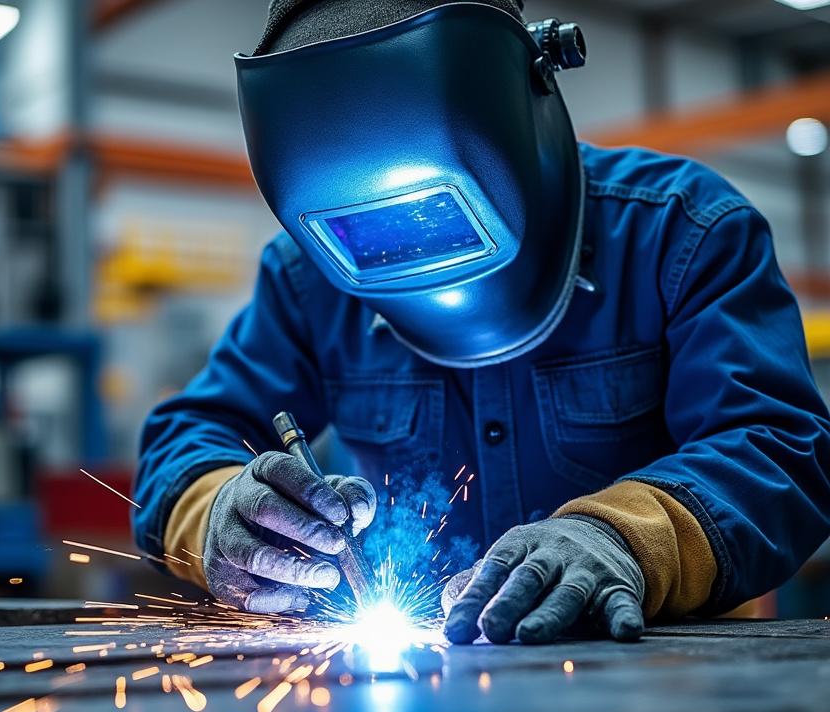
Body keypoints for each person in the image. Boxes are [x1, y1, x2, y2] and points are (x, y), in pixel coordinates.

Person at [133, 0, 830, 644]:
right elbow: (188, 437)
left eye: (439, 213)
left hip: (677, 684)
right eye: (370, 236)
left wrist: (622, 538)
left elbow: (779, 449)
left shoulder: (684, 233)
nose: (415, 246)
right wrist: (222, 514)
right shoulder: (306, 277)